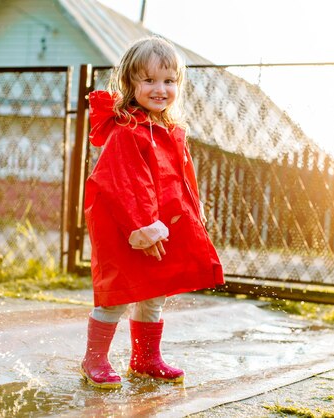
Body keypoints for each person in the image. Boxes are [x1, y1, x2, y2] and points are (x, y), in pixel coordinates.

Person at [80, 36, 224, 390]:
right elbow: (126, 182)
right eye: (149, 80)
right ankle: (94, 359)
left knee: (153, 292)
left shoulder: (170, 130)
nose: (160, 89)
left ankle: (145, 359)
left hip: (163, 225)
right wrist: (143, 226)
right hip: (128, 226)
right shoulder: (128, 130)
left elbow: (181, 179)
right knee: (119, 293)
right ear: (130, 82)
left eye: (169, 81)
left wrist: (193, 212)